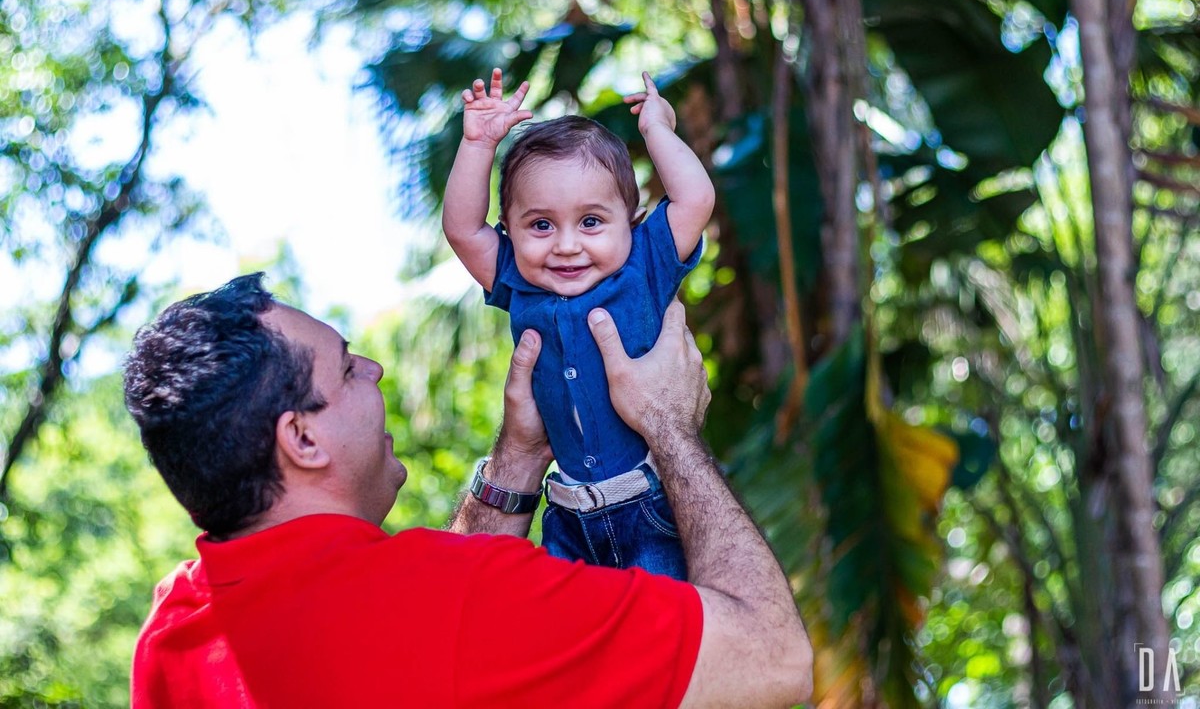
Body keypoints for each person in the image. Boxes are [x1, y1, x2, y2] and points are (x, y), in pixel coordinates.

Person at [124, 273, 811, 707]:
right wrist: (670, 427)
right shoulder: (452, 597)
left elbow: (431, 652)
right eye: (348, 367)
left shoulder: (172, 634)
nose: (376, 368)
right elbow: (775, 659)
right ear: (302, 439)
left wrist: (519, 456)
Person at [442, 67, 715, 578]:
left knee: (659, 625)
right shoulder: (517, 279)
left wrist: (658, 129)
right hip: (566, 516)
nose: (567, 245)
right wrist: (478, 146)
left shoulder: (646, 264)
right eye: (541, 225)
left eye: (591, 222)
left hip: (653, 508)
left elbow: (695, 199)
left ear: (630, 221)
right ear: (510, 230)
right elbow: (462, 229)